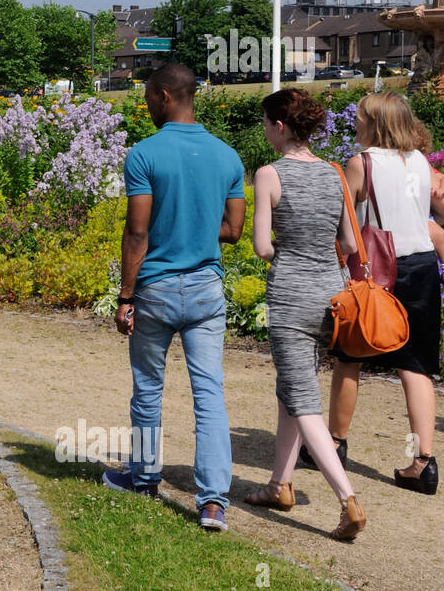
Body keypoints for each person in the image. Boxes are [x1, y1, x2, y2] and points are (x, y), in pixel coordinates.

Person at [105, 63, 246, 533]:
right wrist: (197, 225)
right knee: (210, 394)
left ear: (165, 96)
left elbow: (137, 231)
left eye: (147, 96)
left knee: (148, 388)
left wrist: (126, 296)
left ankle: (144, 478)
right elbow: (234, 230)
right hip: (206, 290)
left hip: (158, 290)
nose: (144, 104)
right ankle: (212, 504)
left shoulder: (144, 155)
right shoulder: (228, 156)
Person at [312, 93, 444, 495]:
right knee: (415, 365)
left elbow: (343, 218)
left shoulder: (363, 163)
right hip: (423, 266)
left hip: (379, 270)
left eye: (359, 117)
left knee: (351, 356)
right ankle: (422, 462)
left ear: (374, 123)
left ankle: (335, 444)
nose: (354, 122)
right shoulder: (420, 162)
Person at [243, 89, 366, 540]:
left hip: (291, 297)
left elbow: (261, 247)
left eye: (266, 123)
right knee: (292, 390)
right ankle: (280, 484)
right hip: (331, 297)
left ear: (279, 126)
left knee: (303, 401)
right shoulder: (335, 173)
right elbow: (350, 246)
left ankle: (347, 499)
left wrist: (287, 246)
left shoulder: (269, 174)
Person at [413, 120, 444, 292]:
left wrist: (441, 189)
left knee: (440, 235)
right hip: (419, 216)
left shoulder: (423, 165)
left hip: (423, 215)